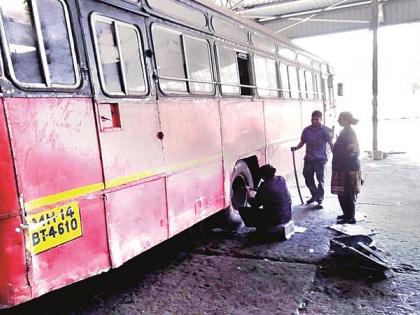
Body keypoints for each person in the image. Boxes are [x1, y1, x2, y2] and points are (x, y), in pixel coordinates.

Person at [291, 110, 333, 207]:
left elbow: (331, 144)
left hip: (320, 159)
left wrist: (336, 156)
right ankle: (315, 194)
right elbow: (303, 142)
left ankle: (320, 199)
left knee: (320, 180)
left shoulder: (326, 130)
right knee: (307, 177)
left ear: (321, 119)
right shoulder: (307, 130)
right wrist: (296, 148)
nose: (314, 121)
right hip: (309, 158)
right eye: (312, 119)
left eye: (316, 120)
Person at [239, 164, 292, 232]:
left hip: (277, 219)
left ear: (264, 176)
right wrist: (257, 189)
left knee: (244, 210)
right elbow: (272, 191)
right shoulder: (280, 179)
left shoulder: (265, 188)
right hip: (287, 216)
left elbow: (254, 204)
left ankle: (262, 228)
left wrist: (248, 191)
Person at [331, 111, 362, 224]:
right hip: (342, 167)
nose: (339, 120)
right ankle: (347, 214)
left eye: (341, 118)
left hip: (348, 168)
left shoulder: (349, 133)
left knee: (348, 193)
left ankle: (350, 217)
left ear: (346, 120)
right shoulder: (344, 132)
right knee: (343, 193)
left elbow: (351, 151)